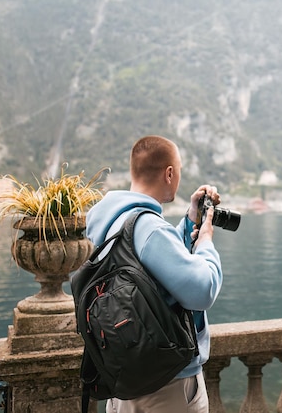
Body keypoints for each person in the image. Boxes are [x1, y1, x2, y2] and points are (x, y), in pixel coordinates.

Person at [85, 135, 223, 413]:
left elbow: (147, 270)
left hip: (124, 377)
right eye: (179, 172)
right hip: (166, 385)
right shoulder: (150, 228)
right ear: (169, 173)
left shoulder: (109, 222)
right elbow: (203, 290)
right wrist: (205, 240)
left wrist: (189, 222)